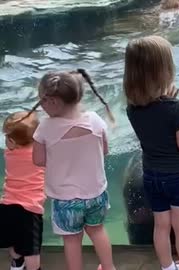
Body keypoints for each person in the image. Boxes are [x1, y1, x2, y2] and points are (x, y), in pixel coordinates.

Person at [124, 35, 179, 270]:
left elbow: (156, 126)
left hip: (151, 176)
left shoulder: (132, 109)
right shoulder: (176, 108)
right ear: (164, 71)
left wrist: (168, 102)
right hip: (178, 177)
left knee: (161, 226)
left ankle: (167, 267)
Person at [29, 69, 116, 270]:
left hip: (65, 200)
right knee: (98, 231)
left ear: (54, 102)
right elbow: (104, 150)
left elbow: (38, 160)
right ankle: (109, 267)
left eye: (42, 101)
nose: (41, 106)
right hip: (96, 195)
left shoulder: (45, 128)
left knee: (72, 241)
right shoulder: (95, 119)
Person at [0, 111, 45, 270]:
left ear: (11, 142)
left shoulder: (9, 154)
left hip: (7, 206)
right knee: (31, 250)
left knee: (13, 241)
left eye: (6, 138)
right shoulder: (40, 154)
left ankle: (17, 263)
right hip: (30, 209)